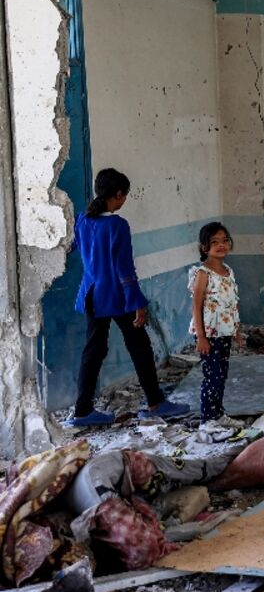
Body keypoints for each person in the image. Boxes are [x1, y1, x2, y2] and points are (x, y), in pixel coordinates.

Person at [67, 169, 189, 426]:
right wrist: (137, 302)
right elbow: (124, 269)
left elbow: (69, 248)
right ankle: (156, 402)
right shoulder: (117, 225)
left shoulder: (82, 221)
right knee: (140, 346)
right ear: (118, 194)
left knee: (93, 351)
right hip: (116, 295)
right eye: (124, 196)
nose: (124, 201)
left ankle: (82, 410)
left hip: (90, 294)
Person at [189, 222, 245, 429]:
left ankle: (218, 414)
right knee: (212, 376)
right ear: (204, 247)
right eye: (214, 242)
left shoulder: (228, 271)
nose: (221, 245)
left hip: (224, 331)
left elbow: (233, 302)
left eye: (224, 241)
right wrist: (201, 337)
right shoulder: (203, 273)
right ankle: (208, 419)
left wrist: (236, 330)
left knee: (221, 375)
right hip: (209, 334)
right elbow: (196, 306)